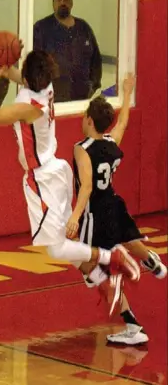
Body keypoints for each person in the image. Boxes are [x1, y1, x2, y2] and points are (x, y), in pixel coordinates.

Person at [0, 50, 140, 293]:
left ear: (28, 77)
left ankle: (110, 256)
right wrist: (4, 70)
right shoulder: (46, 86)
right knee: (66, 239)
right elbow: (21, 77)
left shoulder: (29, 108)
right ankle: (102, 281)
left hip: (43, 178)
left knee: (55, 247)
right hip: (57, 170)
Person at [66, 74, 167, 345]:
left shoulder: (81, 148)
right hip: (113, 203)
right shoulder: (112, 143)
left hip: (95, 213)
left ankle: (131, 324)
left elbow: (86, 187)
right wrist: (126, 93)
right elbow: (123, 121)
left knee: (87, 263)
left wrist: (75, 218)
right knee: (127, 237)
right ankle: (152, 261)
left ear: (88, 120)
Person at [33, 0, 102, 102]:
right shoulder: (41, 28)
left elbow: (96, 60)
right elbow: (34, 64)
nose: (62, 3)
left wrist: (93, 86)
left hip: (82, 99)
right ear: (53, 3)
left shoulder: (83, 28)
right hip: (53, 100)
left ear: (72, 3)